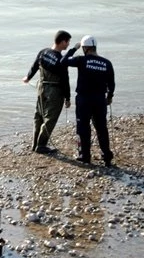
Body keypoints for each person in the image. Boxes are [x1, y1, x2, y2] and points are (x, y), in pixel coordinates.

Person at [63, 35, 115, 166]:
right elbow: (112, 84)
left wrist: (74, 49)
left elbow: (63, 61)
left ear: (85, 48)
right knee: (101, 128)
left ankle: (84, 156)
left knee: (83, 128)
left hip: (84, 99)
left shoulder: (81, 60)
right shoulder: (107, 63)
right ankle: (107, 156)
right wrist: (109, 97)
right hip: (99, 100)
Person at [22, 29, 72, 154]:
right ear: (62, 42)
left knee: (38, 115)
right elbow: (65, 80)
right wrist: (67, 98)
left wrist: (28, 77)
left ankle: (35, 144)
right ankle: (41, 144)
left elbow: (34, 66)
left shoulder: (43, 52)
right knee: (50, 118)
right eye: (68, 42)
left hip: (41, 88)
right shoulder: (61, 59)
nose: (68, 44)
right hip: (54, 91)